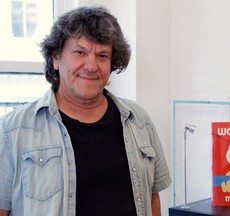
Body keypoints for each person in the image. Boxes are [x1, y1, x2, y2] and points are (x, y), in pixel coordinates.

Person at [0, 6, 171, 216]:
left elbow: (153, 198)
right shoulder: (13, 131)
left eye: (102, 56)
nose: (91, 66)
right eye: (79, 52)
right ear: (55, 58)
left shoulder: (138, 120)